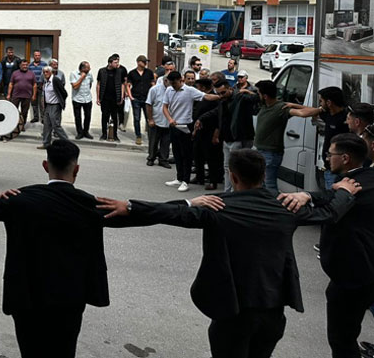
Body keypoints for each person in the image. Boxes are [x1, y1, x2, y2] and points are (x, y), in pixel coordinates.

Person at [0, 140, 181, 358]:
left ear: (45, 165)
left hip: (27, 296)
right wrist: (189, 205)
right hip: (69, 298)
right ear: (76, 170)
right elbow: (150, 214)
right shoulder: (91, 205)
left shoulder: (19, 199)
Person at [97, 148, 362, 358]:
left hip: (232, 311)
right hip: (273, 312)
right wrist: (343, 192)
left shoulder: (217, 206)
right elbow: (330, 213)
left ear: (233, 177)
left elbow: (171, 213)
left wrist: (130, 206)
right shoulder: (286, 206)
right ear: (263, 175)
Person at [277, 134, 374, 358]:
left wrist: (302, 201)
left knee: (342, 339)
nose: (327, 159)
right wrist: (306, 194)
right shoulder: (365, 178)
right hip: (363, 271)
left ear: (346, 158)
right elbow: (330, 195)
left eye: (330, 154)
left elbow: (329, 211)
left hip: (353, 275)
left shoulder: (353, 188)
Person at [163, 71, 221, 192]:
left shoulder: (189, 91)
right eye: (171, 83)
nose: (173, 85)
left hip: (185, 125)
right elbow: (165, 107)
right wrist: (170, 119)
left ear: (181, 80)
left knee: (186, 155)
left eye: (175, 83)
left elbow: (206, 96)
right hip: (174, 125)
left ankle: (185, 180)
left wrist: (222, 96)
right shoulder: (169, 90)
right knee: (176, 153)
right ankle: (179, 178)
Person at [198, 79, 259, 192]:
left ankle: (235, 193)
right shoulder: (223, 101)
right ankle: (228, 192)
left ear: (230, 89)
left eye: (223, 92)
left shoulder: (240, 97)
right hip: (227, 139)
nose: (221, 95)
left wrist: (250, 92)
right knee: (227, 167)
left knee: (237, 168)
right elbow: (216, 112)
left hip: (239, 138)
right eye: (219, 93)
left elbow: (257, 99)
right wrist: (201, 119)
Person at [284, 86, 348, 190]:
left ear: (329, 103)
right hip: (329, 167)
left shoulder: (346, 119)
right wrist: (293, 105)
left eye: (321, 101)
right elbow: (312, 110)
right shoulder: (329, 114)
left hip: (339, 170)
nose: (320, 104)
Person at [253, 80, 291, 194]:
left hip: (271, 153)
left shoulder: (280, 108)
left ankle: (274, 207)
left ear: (265, 96)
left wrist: (320, 109)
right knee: (262, 184)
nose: (257, 96)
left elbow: (303, 113)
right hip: (261, 150)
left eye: (259, 93)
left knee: (270, 185)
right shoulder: (265, 106)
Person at [192, 78, 224, 191]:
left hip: (209, 131)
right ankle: (199, 177)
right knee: (197, 154)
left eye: (199, 87)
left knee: (211, 157)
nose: (197, 89)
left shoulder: (214, 99)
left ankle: (213, 180)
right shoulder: (202, 97)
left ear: (203, 87)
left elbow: (216, 117)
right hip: (199, 130)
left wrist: (216, 133)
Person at [96, 55, 126, 142]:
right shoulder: (102, 71)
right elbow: (98, 84)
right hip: (104, 98)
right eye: (115, 62)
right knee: (104, 116)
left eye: (118, 62)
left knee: (115, 117)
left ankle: (115, 135)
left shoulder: (119, 72)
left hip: (115, 98)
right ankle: (104, 134)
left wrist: (122, 96)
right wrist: (98, 97)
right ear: (110, 63)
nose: (117, 64)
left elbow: (122, 84)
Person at [38, 66, 68, 149]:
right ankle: (46, 143)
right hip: (48, 105)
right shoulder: (46, 81)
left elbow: (64, 93)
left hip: (55, 105)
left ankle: (67, 142)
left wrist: (60, 102)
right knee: (46, 125)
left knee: (55, 125)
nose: (45, 73)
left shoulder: (55, 80)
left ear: (51, 72)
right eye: (44, 72)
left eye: (47, 72)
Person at [145, 74, 171, 168]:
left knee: (166, 142)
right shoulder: (154, 89)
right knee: (153, 141)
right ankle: (151, 158)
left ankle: (163, 160)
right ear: (165, 81)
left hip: (169, 121)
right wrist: (150, 119)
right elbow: (148, 104)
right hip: (156, 120)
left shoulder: (174, 91)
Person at [127, 55, 153, 146]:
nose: (145, 63)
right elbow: (128, 85)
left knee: (148, 118)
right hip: (136, 98)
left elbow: (153, 84)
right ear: (138, 62)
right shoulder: (132, 73)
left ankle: (151, 136)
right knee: (137, 118)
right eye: (143, 61)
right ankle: (138, 136)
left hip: (147, 99)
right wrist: (131, 96)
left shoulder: (149, 72)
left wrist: (152, 97)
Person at [8, 59, 36, 135]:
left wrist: (34, 95)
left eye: (26, 65)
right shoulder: (15, 73)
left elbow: (34, 85)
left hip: (27, 95)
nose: (25, 66)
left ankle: (22, 126)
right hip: (16, 95)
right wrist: (9, 94)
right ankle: (12, 125)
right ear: (20, 65)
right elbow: (11, 84)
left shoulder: (31, 74)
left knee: (24, 112)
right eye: (23, 65)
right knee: (13, 111)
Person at [70, 61, 93, 140]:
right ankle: (79, 132)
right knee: (78, 117)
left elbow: (90, 84)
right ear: (83, 68)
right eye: (88, 68)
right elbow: (75, 86)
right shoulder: (73, 74)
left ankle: (86, 132)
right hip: (77, 99)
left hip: (88, 99)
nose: (90, 69)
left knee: (88, 116)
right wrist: (82, 78)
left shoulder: (90, 75)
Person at [27, 51, 47, 123]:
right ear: (34, 56)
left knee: (42, 103)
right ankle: (36, 117)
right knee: (34, 103)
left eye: (38, 55)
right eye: (36, 55)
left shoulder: (44, 64)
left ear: (40, 56)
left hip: (41, 86)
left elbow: (47, 75)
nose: (37, 57)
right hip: (32, 86)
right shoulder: (30, 65)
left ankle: (43, 118)